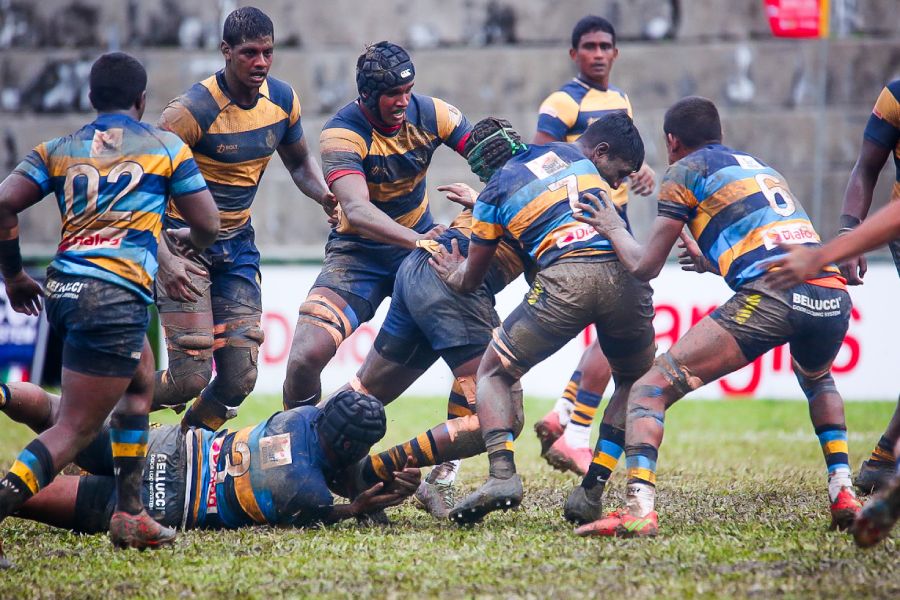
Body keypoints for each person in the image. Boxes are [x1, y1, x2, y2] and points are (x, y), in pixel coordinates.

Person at [570, 96, 861, 537]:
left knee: (648, 388)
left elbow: (645, 266)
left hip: (775, 294)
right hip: (831, 294)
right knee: (819, 379)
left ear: (672, 141)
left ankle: (639, 509)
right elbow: (766, 239)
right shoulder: (758, 166)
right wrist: (711, 262)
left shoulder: (685, 171)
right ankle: (843, 492)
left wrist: (611, 225)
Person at [0, 52, 220, 565]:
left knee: (140, 379)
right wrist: (186, 242)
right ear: (142, 100)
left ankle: (129, 512)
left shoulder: (57, 149)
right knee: (74, 429)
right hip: (115, 298)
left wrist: (12, 275)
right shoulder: (165, 147)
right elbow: (208, 223)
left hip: (64, 291)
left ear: (91, 98)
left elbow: (4, 201)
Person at [426, 113, 656, 526]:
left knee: (493, 372)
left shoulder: (495, 191)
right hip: (628, 278)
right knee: (633, 382)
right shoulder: (578, 160)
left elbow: (470, 280)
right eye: (620, 174)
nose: (618, 183)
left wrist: (452, 272)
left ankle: (502, 475)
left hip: (568, 278)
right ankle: (592, 490)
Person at [152, 6, 335, 431]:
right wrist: (165, 259)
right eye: (250, 53)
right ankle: (97, 420)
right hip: (183, 246)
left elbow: (299, 162)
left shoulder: (282, 100)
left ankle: (184, 445)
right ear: (226, 51)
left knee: (240, 378)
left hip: (237, 246)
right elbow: (142, 194)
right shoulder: (189, 112)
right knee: (189, 378)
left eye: (267, 52)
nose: (261, 62)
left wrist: (325, 195)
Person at [281, 41, 473, 409]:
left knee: (475, 342)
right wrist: (417, 240)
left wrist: (490, 190)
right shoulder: (342, 133)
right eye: (393, 94)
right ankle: (294, 436)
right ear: (367, 95)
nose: (403, 101)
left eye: (408, 90)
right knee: (304, 357)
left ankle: (460, 442)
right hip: (358, 255)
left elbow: (488, 154)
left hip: (418, 255)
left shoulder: (434, 114)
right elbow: (357, 210)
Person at [337, 170, 531, 517]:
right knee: (504, 415)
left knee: (364, 390)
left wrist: (481, 203)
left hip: (420, 267)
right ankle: (378, 471)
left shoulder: (511, 185)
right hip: (450, 280)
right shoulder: (561, 192)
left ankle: (286, 440)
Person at [0, 383, 420, 533]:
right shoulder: (307, 490)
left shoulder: (298, 417)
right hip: (169, 501)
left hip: (168, 445)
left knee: (60, 413)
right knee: (29, 497)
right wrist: (356, 508)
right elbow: (321, 511)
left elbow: (332, 461)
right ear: (352, 449)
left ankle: (3, 394)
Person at [533, 15, 655, 477]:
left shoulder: (620, 100)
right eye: (589, 46)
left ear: (616, 53)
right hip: (583, 223)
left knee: (612, 330)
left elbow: (621, 152)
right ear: (574, 54)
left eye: (606, 46)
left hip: (616, 220)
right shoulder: (561, 103)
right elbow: (542, 161)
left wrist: (641, 170)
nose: (598, 53)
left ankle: (563, 413)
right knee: (620, 326)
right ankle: (575, 431)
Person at [820, 79, 900, 494]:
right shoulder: (896, 96)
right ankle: (885, 461)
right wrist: (849, 234)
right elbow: (867, 167)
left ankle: (884, 459)